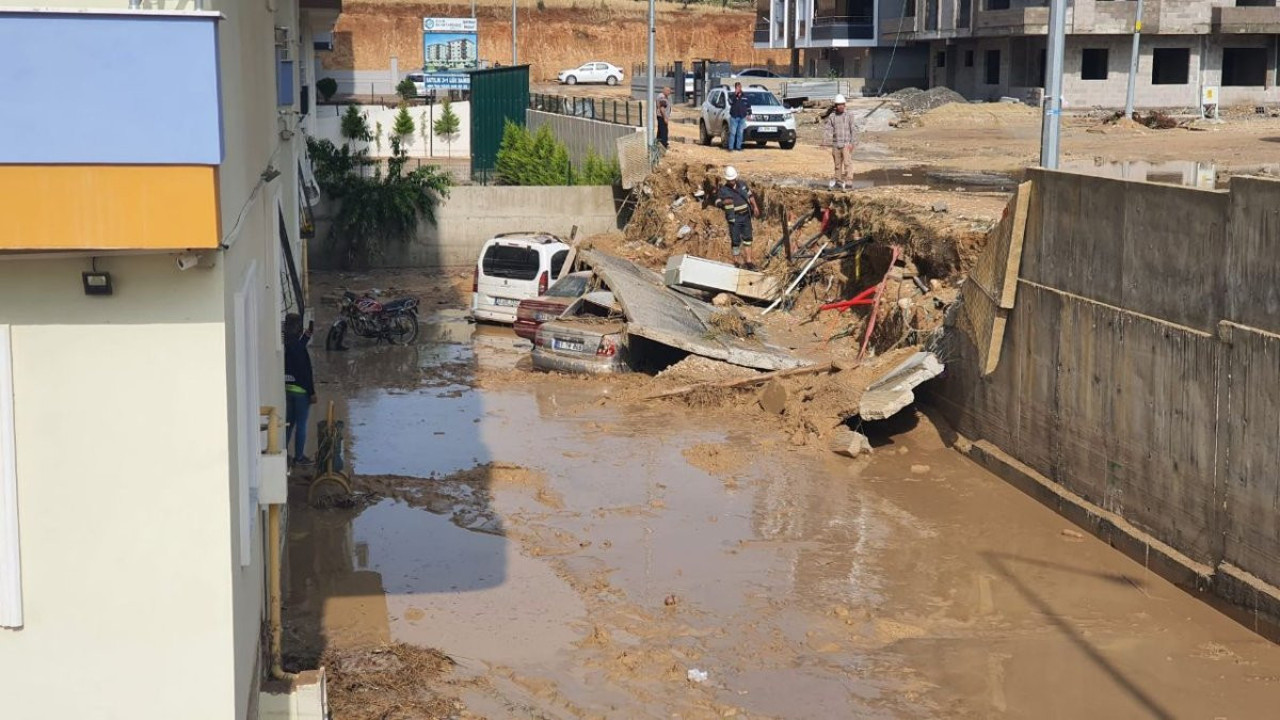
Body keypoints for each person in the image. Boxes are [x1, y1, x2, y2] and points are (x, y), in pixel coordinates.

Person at [283, 313, 317, 466]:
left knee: (289, 423)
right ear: (297, 329)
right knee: (302, 425)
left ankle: (283, 453)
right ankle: (299, 458)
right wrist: (312, 393)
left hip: (288, 389)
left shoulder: (287, 345)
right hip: (301, 392)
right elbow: (306, 373)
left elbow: (298, 346)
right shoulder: (299, 349)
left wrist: (306, 336)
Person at [715, 166, 760, 268]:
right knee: (735, 241)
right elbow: (716, 202)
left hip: (746, 216)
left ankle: (749, 261)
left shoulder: (742, 185)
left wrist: (755, 207)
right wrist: (723, 202)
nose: (732, 181)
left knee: (748, 238)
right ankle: (736, 262)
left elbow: (750, 196)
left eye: (733, 179)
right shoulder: (723, 190)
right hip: (734, 218)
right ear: (726, 179)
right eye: (730, 180)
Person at [822, 94, 858, 189]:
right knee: (837, 164)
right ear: (836, 105)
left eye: (842, 104)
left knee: (847, 163)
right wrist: (825, 142)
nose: (840, 106)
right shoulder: (832, 116)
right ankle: (838, 181)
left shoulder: (849, 115)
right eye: (838, 104)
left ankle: (849, 181)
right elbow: (828, 129)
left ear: (845, 104)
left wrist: (852, 143)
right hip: (836, 144)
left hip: (846, 144)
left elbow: (853, 129)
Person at [727, 82, 752, 152]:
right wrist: (735, 95)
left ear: (741, 87)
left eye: (739, 87)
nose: (738, 88)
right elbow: (730, 102)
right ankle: (731, 148)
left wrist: (749, 114)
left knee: (740, 133)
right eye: (737, 87)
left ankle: (738, 147)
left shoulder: (745, 96)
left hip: (742, 117)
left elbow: (748, 106)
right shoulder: (732, 95)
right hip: (734, 117)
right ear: (735, 88)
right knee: (732, 133)